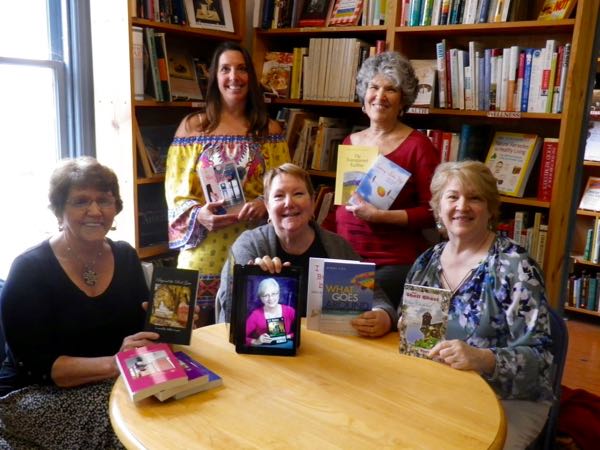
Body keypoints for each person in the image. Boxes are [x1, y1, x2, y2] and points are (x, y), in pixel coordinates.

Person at [0, 157, 158, 449]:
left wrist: (168, 323)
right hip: (36, 396)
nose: (95, 211)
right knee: (137, 429)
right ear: (59, 211)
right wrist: (115, 364)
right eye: (81, 201)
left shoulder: (125, 256)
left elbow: (138, 335)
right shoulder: (28, 270)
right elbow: (42, 367)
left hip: (115, 382)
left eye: (104, 200)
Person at [403, 160, 554, 450]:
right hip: (442, 391)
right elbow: (416, 339)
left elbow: (542, 361)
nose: (462, 206)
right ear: (438, 208)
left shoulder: (515, 268)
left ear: (490, 209)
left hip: (508, 399)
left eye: (475, 198)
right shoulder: (427, 262)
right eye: (453, 197)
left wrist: (483, 358)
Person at [165, 41, 290, 325]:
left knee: (250, 327)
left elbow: (284, 186)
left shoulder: (270, 130)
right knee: (186, 328)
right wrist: (199, 214)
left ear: (252, 77)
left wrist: (263, 203)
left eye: (242, 69)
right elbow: (175, 192)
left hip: (253, 246)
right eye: (226, 69)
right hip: (202, 247)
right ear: (215, 77)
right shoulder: (192, 127)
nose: (234, 76)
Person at [216, 163, 396, 338]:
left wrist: (383, 317)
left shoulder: (337, 247)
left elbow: (377, 298)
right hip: (268, 349)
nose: (289, 203)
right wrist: (250, 280)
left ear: (312, 203)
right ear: (268, 207)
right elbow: (229, 306)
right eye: (278, 196)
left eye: (298, 194)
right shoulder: (250, 244)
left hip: (329, 351)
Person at [323, 51, 439, 310]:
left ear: (403, 101)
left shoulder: (419, 146)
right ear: (364, 95)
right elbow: (341, 206)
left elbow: (434, 212)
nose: (380, 96)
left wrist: (380, 217)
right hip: (345, 257)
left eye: (391, 89)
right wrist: (319, 239)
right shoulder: (350, 142)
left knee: (357, 322)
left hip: (391, 262)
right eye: (373, 87)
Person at [245, 278, 295, 346]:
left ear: (279, 294)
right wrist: (256, 341)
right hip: (265, 352)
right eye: (266, 295)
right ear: (260, 297)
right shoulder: (255, 315)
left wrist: (287, 337)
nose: (270, 298)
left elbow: (300, 333)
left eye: (273, 294)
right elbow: (239, 336)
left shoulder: (290, 311)